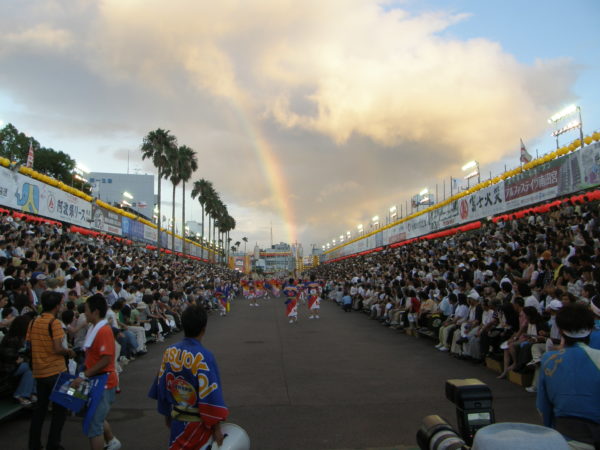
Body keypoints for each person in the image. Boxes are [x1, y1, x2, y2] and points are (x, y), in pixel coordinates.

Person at [149, 304, 229, 449]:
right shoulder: (204, 357)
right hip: (197, 424)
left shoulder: (170, 351)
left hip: (177, 418)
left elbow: (162, 384)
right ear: (203, 329)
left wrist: (167, 413)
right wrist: (216, 428)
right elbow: (210, 393)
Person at [537, 304, 600, 449]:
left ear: (560, 330)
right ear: (591, 328)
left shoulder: (548, 360)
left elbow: (543, 407)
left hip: (567, 435)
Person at [70, 294, 121, 450]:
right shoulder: (94, 327)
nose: (84, 313)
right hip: (94, 379)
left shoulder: (103, 331)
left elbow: (106, 359)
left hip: (103, 382)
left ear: (95, 311)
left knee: (94, 425)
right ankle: (112, 440)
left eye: (86, 310)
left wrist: (84, 374)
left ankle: (110, 442)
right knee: (93, 415)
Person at [27, 291, 76, 450]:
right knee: (59, 411)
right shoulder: (54, 323)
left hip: (39, 371)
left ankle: (34, 444)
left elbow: (30, 343)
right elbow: (56, 348)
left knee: (40, 410)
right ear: (56, 306)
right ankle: (53, 444)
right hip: (56, 370)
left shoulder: (34, 321)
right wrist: (68, 351)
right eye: (61, 304)